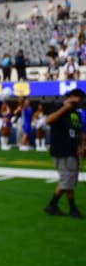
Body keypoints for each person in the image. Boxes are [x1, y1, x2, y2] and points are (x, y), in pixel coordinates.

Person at [43, 88, 84, 219]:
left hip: (72, 150)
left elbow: (80, 131)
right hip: (61, 150)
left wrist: (82, 145)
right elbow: (48, 120)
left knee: (68, 179)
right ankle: (71, 208)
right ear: (72, 97)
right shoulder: (59, 107)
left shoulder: (76, 113)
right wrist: (65, 108)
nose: (81, 102)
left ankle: (53, 206)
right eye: (79, 99)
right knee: (67, 179)